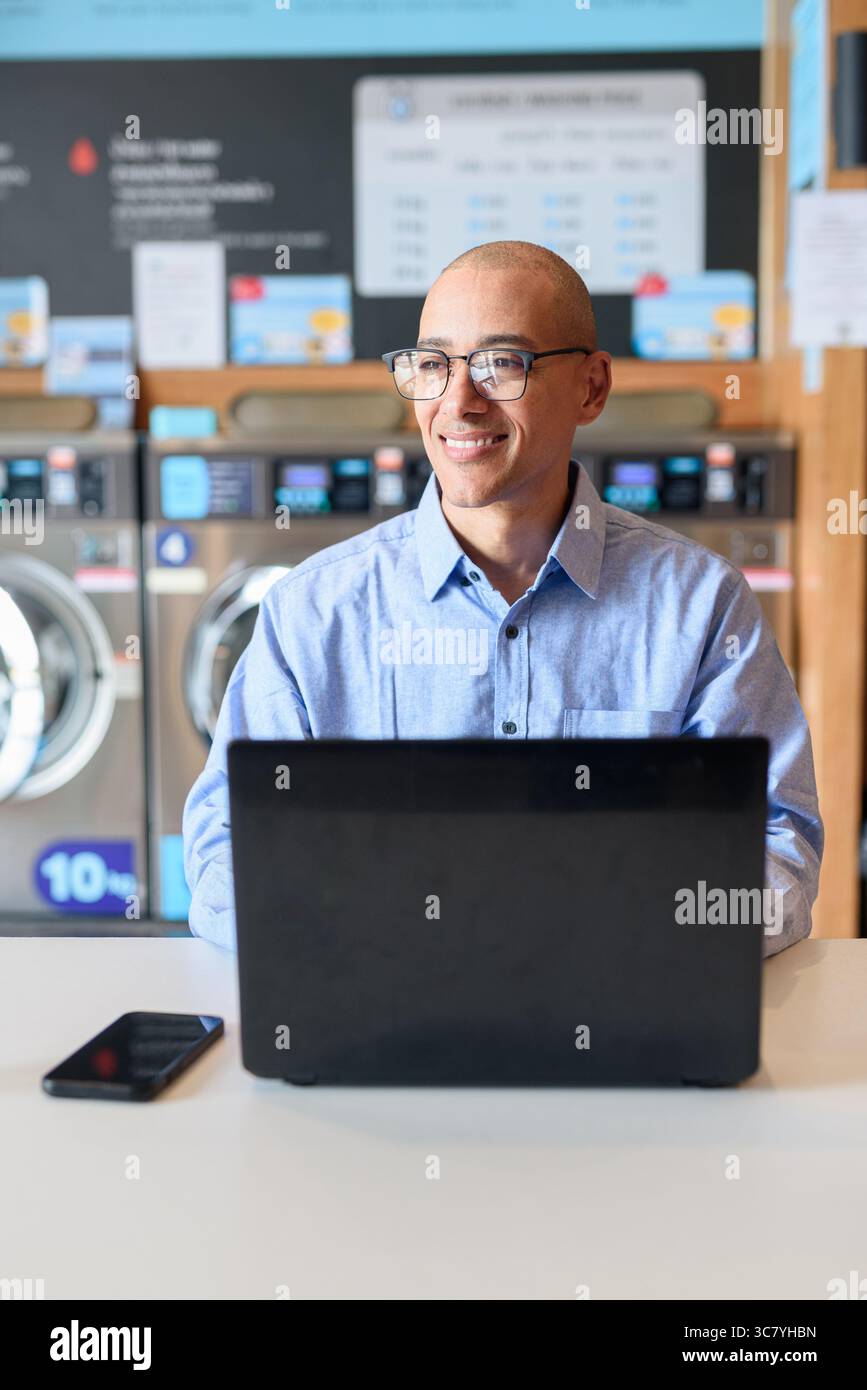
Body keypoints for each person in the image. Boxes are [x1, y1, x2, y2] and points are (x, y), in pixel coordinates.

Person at [183, 240, 822, 951]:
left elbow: (777, 846)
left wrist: (600, 933)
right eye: (432, 365)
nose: (458, 402)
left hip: (620, 1009)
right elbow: (221, 858)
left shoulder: (699, 606)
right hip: (382, 1009)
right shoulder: (311, 612)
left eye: (500, 363)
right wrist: (380, 930)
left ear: (591, 387)